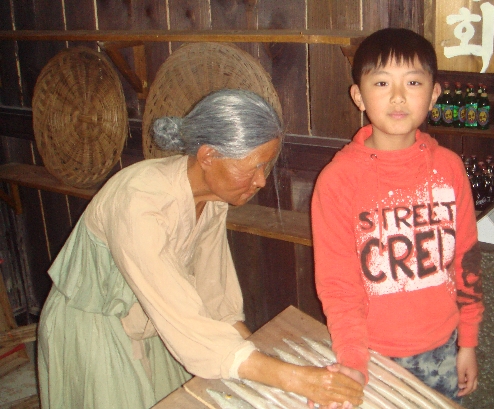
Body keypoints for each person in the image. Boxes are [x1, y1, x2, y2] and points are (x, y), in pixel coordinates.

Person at [37, 89, 363, 409]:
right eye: (253, 167)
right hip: (96, 329)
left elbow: (215, 296)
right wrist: (296, 379)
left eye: (265, 166)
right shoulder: (139, 203)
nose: (261, 180)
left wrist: (264, 364)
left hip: (155, 320)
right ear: (208, 156)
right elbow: (182, 319)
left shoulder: (212, 199)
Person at [311, 28, 484, 402]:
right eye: (382, 82)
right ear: (358, 95)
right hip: (370, 354)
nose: (399, 96)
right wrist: (354, 362)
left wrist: (468, 341)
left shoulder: (450, 169)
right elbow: (338, 285)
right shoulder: (338, 180)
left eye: (414, 82)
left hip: (443, 346)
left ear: (435, 93)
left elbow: (466, 258)